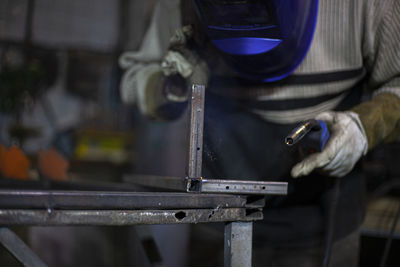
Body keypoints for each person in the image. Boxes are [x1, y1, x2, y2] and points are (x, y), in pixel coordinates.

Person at [119, 0, 400, 266]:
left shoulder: (366, 6)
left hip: (325, 223)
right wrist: (172, 85)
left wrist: (364, 126)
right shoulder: (182, 5)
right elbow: (135, 78)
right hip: (216, 221)